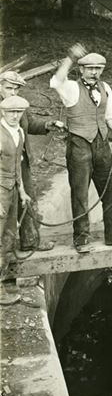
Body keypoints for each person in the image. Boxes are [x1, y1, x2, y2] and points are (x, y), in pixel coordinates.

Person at [49, 44, 112, 253]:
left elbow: (110, 116)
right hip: (78, 145)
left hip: (102, 144)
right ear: (81, 70)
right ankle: (81, 240)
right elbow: (55, 81)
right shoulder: (70, 88)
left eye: (98, 68)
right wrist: (70, 57)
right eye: (90, 68)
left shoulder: (105, 88)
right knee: (80, 194)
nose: (94, 72)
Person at [0, 70, 56, 253]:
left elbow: (30, 124)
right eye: (9, 88)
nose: (13, 92)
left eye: (16, 89)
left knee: (27, 197)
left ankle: (30, 240)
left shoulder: (18, 106)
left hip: (20, 162)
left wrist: (48, 125)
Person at [0, 94, 32, 305]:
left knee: (8, 236)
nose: (14, 116)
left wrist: (22, 191)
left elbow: (17, 167)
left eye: (18, 112)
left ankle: (3, 281)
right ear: (3, 112)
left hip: (12, 189)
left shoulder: (19, 132)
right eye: (11, 112)